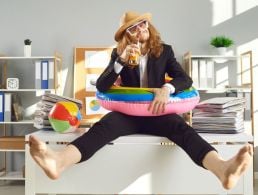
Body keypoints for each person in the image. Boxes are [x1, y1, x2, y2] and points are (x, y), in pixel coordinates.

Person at [29, 11, 253, 190]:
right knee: (102, 127)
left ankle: (223, 170)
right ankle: (58, 163)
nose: (139, 30)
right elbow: (102, 86)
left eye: (142, 24)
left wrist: (167, 88)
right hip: (128, 116)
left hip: (158, 112)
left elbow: (185, 78)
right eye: (133, 28)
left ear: (149, 26)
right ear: (127, 34)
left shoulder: (164, 51)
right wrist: (120, 62)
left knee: (182, 129)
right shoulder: (120, 55)